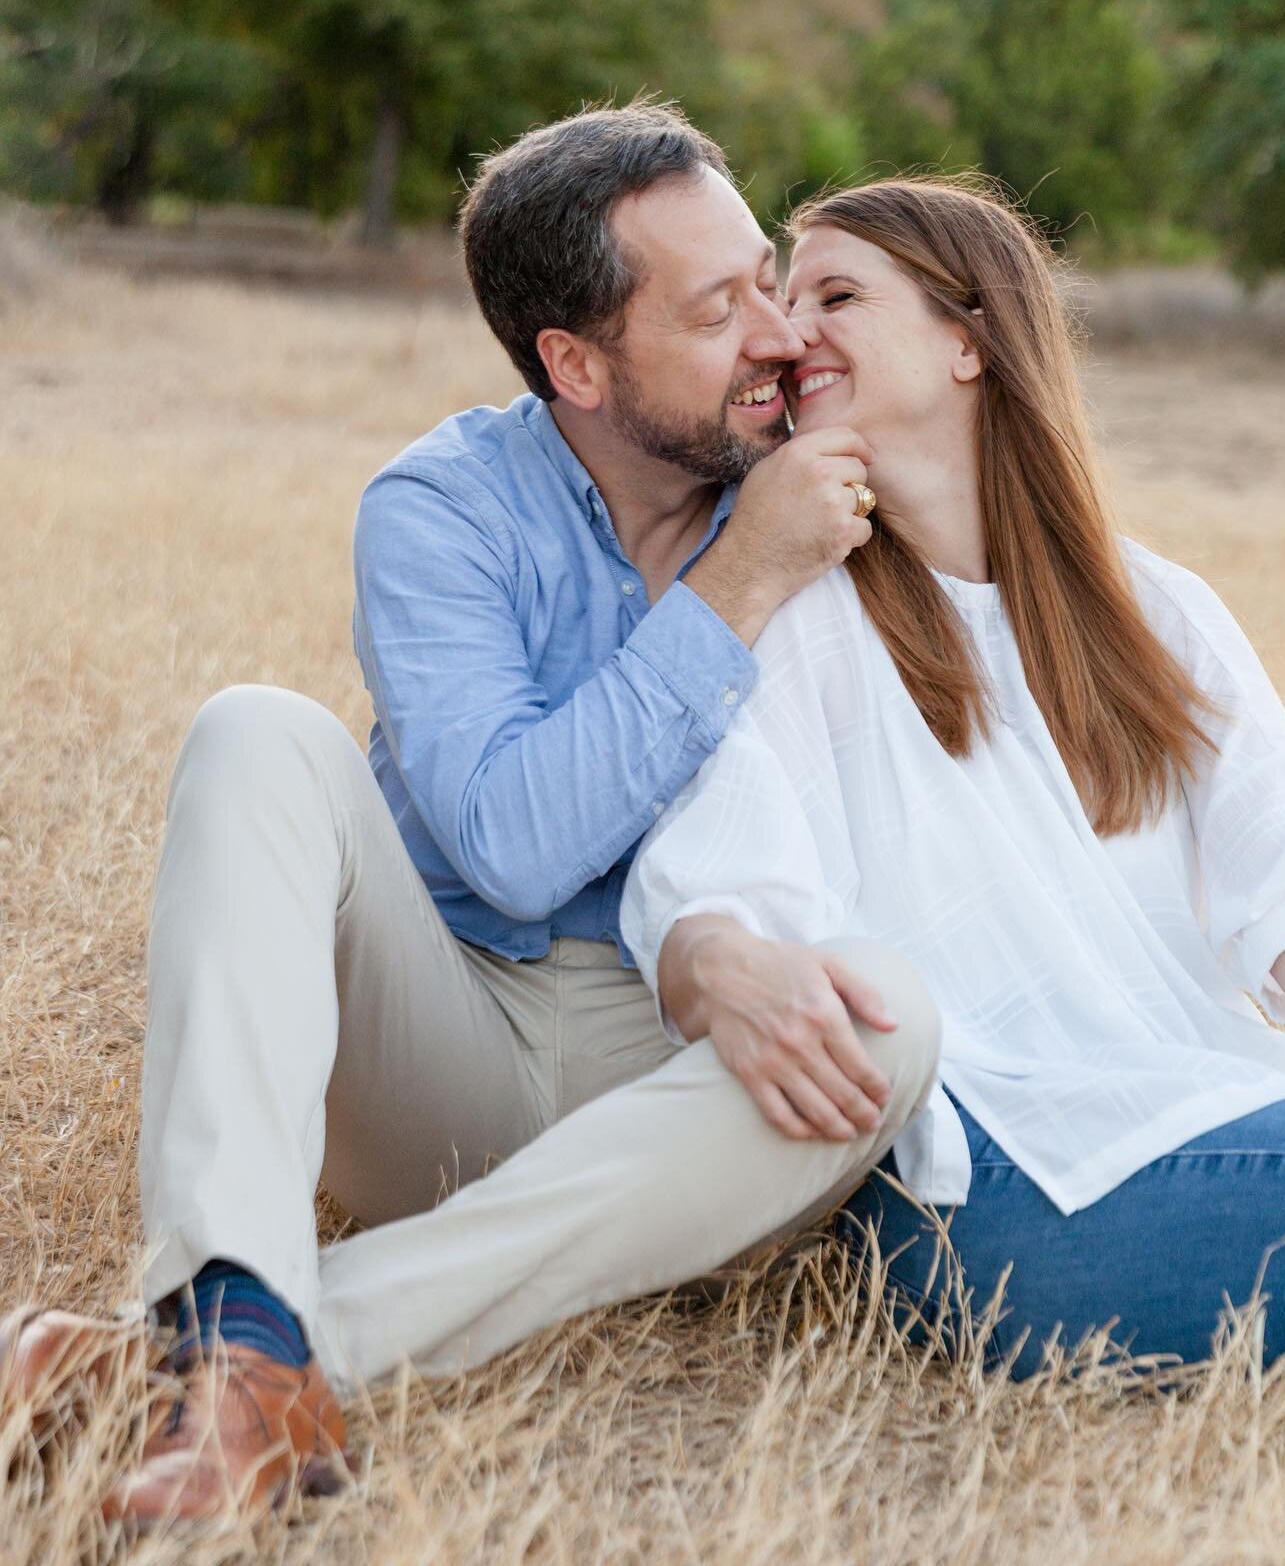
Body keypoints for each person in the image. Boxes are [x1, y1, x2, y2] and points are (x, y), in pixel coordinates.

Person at [0, 103, 944, 1526]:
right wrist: (742, 582)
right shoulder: (443, 509)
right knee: (259, 731)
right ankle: (237, 1316)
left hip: (675, 1074)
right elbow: (509, 849)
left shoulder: (829, 485)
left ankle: (239, 1368)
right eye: (716, 310)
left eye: (768, 277)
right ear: (575, 363)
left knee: (890, 1020)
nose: (776, 333)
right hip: (437, 1038)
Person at [619, 174, 1285, 1398]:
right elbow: (714, 885)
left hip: (1188, 1108)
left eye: (836, 293)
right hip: (983, 1180)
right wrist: (719, 957)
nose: (792, 333)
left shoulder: (1152, 610)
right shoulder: (793, 608)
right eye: (788, 304)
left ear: (971, 338)